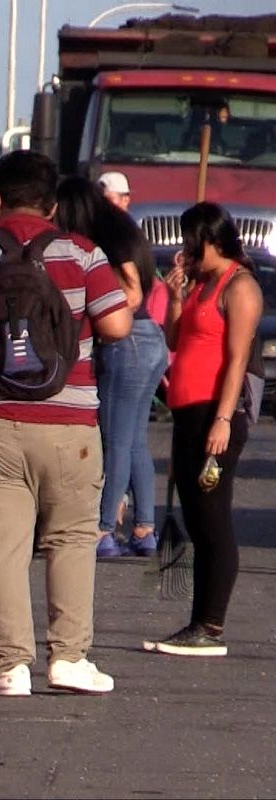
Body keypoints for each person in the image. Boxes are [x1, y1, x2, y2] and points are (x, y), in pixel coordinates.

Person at [0, 150, 133, 697]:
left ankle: (9, 667)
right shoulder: (82, 253)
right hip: (69, 423)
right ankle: (69, 658)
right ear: (53, 203)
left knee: (2, 545)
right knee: (70, 537)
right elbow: (115, 325)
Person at [146, 202, 262, 657]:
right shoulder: (201, 285)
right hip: (188, 411)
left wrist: (223, 419)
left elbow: (235, 360)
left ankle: (210, 625)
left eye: (190, 240)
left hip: (217, 412)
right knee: (195, 514)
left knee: (212, 517)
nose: (184, 248)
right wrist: (175, 298)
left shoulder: (240, 286)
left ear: (210, 239)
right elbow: (176, 340)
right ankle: (198, 622)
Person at [55, 176, 167, 558]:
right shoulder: (124, 227)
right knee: (134, 439)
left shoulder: (108, 237)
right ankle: (144, 528)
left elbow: (131, 291)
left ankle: (103, 530)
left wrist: (102, 319)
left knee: (115, 440)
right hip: (151, 337)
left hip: (128, 340)